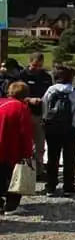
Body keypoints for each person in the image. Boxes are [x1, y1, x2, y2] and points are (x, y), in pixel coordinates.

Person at [42, 66, 75, 197]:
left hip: (52, 128)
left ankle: (51, 186)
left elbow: (44, 108)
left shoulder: (50, 91)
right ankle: (68, 187)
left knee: (52, 157)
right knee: (69, 158)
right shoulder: (73, 92)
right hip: (71, 128)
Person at [0, 82, 34, 214]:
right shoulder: (21, 108)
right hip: (11, 149)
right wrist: (28, 153)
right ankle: (11, 206)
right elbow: (25, 132)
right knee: (14, 178)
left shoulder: (2, 102)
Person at [19, 52, 53, 179]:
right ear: (30, 63)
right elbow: (15, 95)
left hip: (40, 115)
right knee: (24, 144)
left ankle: (39, 171)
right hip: (25, 114)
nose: (37, 69)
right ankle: (23, 170)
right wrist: (29, 100)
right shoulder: (22, 76)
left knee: (39, 145)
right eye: (34, 66)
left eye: (40, 66)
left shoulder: (46, 77)